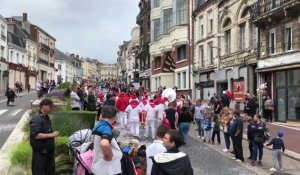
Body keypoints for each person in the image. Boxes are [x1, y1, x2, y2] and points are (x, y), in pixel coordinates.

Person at [29, 98, 60, 175]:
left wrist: (52, 134)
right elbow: (36, 135)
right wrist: (51, 135)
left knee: (50, 171)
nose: (52, 108)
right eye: (50, 106)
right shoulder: (36, 118)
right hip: (40, 153)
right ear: (44, 106)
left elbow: (46, 131)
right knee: (38, 172)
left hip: (48, 153)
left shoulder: (46, 117)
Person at [92, 105, 122, 175]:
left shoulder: (99, 124)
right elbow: (104, 143)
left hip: (100, 167)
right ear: (114, 116)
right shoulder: (106, 128)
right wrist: (109, 155)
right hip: (108, 169)